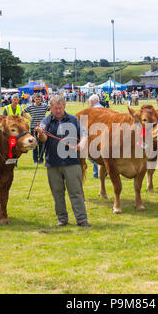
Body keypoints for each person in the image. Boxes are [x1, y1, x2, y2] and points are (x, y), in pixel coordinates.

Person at [35, 95, 91, 227]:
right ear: (51, 108)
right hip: (53, 163)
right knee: (57, 193)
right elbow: (43, 139)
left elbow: (84, 134)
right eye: (55, 108)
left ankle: (82, 220)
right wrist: (40, 134)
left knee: (76, 192)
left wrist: (81, 145)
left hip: (72, 163)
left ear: (64, 107)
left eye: (60, 108)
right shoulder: (45, 121)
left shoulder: (74, 120)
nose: (58, 111)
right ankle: (62, 219)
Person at [23, 94, 49, 165]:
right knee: (34, 145)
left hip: (42, 128)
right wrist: (28, 118)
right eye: (37, 99)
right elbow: (23, 112)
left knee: (41, 144)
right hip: (33, 128)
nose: (38, 100)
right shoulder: (30, 107)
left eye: (39, 99)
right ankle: (35, 160)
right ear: (34, 99)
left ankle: (41, 160)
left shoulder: (44, 106)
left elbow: (51, 109)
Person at [87, 94, 104, 178]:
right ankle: (98, 172)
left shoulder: (93, 109)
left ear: (93, 101)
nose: (89, 103)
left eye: (90, 102)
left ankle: (99, 171)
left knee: (90, 154)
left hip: (95, 134)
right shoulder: (102, 107)